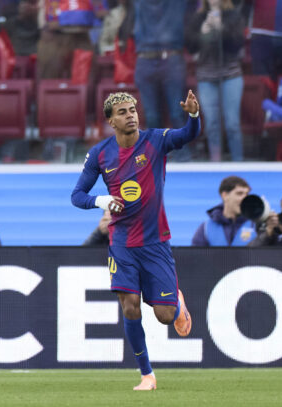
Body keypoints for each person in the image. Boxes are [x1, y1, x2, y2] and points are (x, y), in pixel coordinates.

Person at [71, 90, 200, 390]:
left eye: (133, 110)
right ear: (110, 121)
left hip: (155, 242)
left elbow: (188, 134)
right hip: (122, 243)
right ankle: (147, 375)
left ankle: (177, 304)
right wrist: (101, 201)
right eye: (123, 112)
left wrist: (193, 115)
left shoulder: (155, 140)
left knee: (165, 317)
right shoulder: (100, 154)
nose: (130, 115)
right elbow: (77, 196)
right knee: (130, 306)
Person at [185, 0, 246, 162]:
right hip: (206, 76)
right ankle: (215, 162)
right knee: (211, 124)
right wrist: (201, 34)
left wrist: (221, 28)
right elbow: (190, 46)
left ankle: (238, 162)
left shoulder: (233, 16)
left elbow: (238, 43)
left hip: (231, 74)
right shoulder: (198, 18)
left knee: (232, 124)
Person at [133, 0, 191, 161]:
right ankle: (156, 156)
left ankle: (183, 157)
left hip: (171, 57)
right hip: (146, 58)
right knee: (151, 115)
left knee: (176, 112)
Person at [191, 175, 254, 246]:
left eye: (247, 194)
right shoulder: (206, 229)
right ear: (224, 195)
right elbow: (195, 256)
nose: (245, 198)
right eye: (239, 193)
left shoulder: (257, 226)